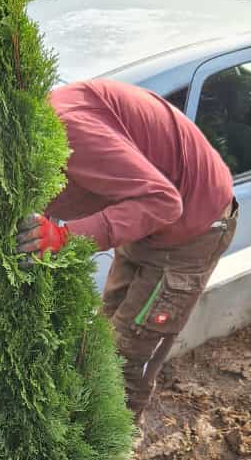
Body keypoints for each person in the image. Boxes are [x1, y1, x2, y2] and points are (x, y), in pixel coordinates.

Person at [16, 78, 237, 421]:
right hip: (142, 221)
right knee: (108, 332)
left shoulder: (71, 133)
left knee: (128, 356)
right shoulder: (33, 135)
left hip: (192, 227)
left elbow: (163, 203)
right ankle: (97, 430)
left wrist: (64, 238)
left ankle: (114, 454)